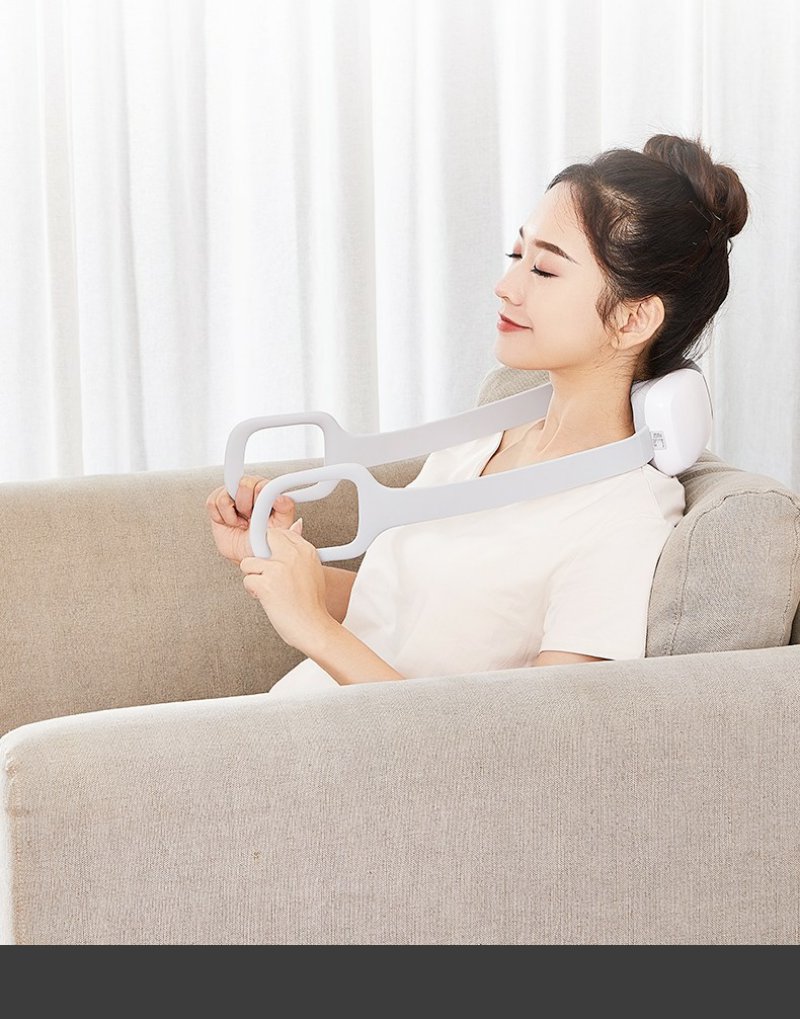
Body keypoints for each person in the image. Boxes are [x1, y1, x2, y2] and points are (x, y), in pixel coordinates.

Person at [206, 133, 748, 697]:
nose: (505, 287)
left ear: (632, 319)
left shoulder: (622, 522)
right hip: (285, 725)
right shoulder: (482, 443)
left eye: (544, 270)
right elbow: (400, 615)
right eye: (517, 256)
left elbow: (533, 735)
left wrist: (313, 629)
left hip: (359, 753)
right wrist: (279, 560)